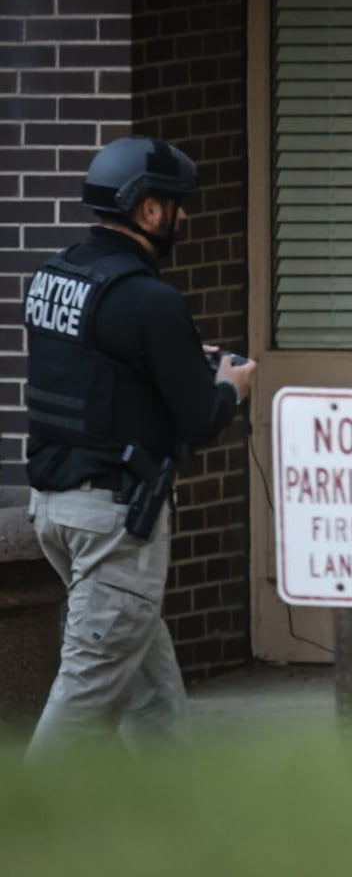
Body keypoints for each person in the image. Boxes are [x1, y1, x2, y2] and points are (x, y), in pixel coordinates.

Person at [23, 135, 257, 756]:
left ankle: (166, 827)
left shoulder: (55, 276)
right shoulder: (151, 300)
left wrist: (175, 360)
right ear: (149, 211)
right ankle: (21, 837)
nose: (186, 216)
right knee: (83, 698)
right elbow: (201, 421)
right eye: (179, 204)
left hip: (53, 512)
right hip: (114, 525)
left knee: (152, 697)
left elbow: (98, 374)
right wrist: (232, 387)